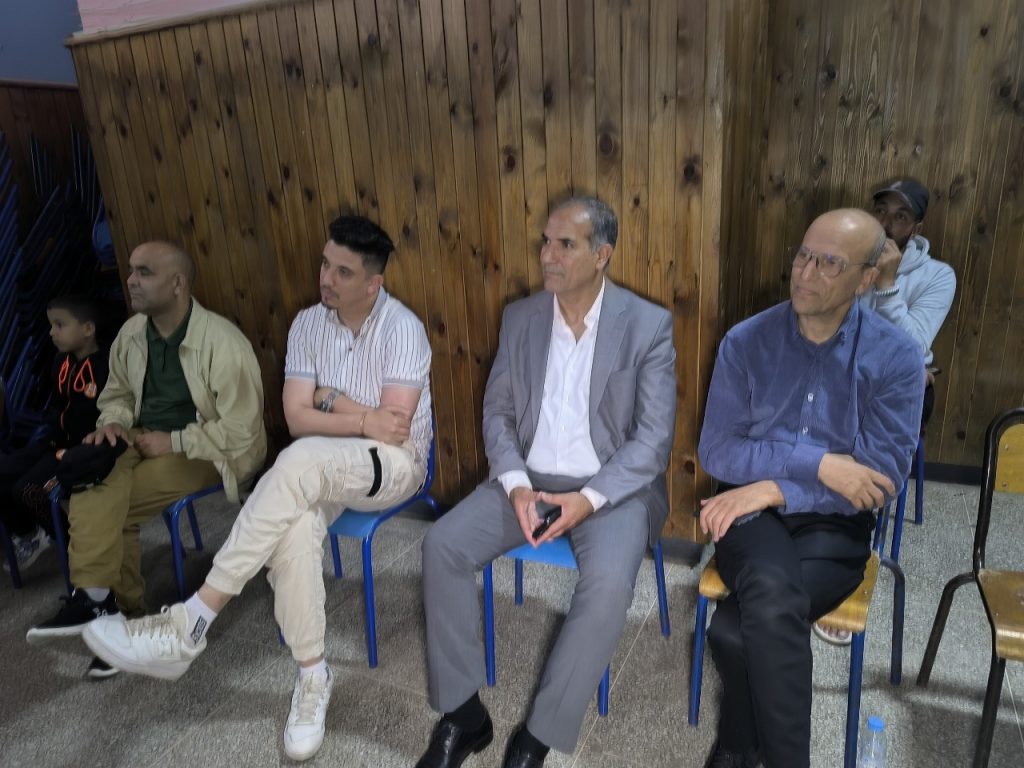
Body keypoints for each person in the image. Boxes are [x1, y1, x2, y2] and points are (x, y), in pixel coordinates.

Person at [82, 216, 432, 763]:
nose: (326, 279)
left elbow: (393, 429)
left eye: (343, 272)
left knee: (297, 461)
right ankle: (313, 674)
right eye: (325, 264)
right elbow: (296, 416)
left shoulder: (403, 327)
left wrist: (333, 401)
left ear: (373, 284)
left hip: (393, 466)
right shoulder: (307, 325)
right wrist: (356, 414)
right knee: (295, 521)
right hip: (322, 464)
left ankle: (193, 619)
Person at [415, 197, 676, 768]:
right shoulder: (522, 318)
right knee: (442, 545)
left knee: (607, 586)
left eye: (565, 245)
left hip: (611, 492)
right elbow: (498, 412)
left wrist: (587, 500)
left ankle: (536, 737)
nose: (547, 255)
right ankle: (464, 715)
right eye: (545, 242)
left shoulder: (647, 325)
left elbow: (653, 441)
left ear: (602, 255)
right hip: (527, 482)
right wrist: (515, 485)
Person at [696, 209, 924, 768]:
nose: (805, 272)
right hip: (746, 514)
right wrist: (819, 465)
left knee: (734, 633)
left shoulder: (896, 357)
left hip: (834, 523)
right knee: (762, 612)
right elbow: (718, 451)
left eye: (829, 263)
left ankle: (736, 746)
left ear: (866, 279)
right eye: (803, 255)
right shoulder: (746, 341)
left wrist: (771, 488)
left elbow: (875, 484)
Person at [26, 242, 267, 672]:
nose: (131, 281)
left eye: (144, 272)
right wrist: (113, 422)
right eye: (131, 271)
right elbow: (116, 394)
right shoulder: (132, 333)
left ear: (177, 284)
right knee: (90, 475)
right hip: (139, 438)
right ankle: (104, 606)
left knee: (111, 503)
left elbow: (241, 430)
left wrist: (174, 442)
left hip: (208, 449)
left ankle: (115, 613)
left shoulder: (223, 343)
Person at [0, 295, 107, 573]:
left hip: (84, 450)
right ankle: (31, 534)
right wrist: (48, 436)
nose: (51, 332)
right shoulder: (60, 362)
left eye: (60, 325)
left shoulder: (104, 366)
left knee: (27, 490)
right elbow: (57, 407)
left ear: (87, 328)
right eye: (51, 325)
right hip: (54, 442)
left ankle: (79, 548)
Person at [863, 177, 955, 423]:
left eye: (901, 216)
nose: (885, 223)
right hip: (848, 374)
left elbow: (914, 346)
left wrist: (886, 286)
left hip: (901, 382)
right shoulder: (849, 259)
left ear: (916, 229)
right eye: (880, 211)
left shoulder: (938, 275)